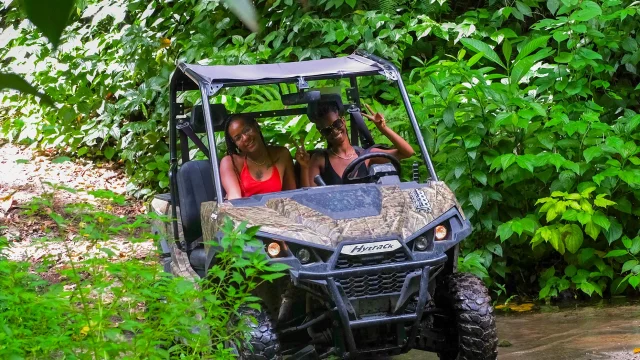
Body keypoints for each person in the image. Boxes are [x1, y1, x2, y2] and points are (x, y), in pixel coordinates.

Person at [296, 101, 414, 186]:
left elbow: (407, 152)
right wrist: (304, 166)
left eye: (336, 124)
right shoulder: (320, 159)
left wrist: (383, 128)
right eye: (327, 130)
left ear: (343, 121)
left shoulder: (366, 155)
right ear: (321, 132)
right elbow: (310, 196)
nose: (335, 131)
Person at [220, 114, 296, 199]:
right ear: (235, 144)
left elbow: (292, 195)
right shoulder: (230, 162)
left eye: (247, 130)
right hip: (245, 211)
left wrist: (305, 168)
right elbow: (234, 199)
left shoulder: (281, 154)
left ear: (256, 126)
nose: (245, 138)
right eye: (238, 138)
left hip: (278, 210)